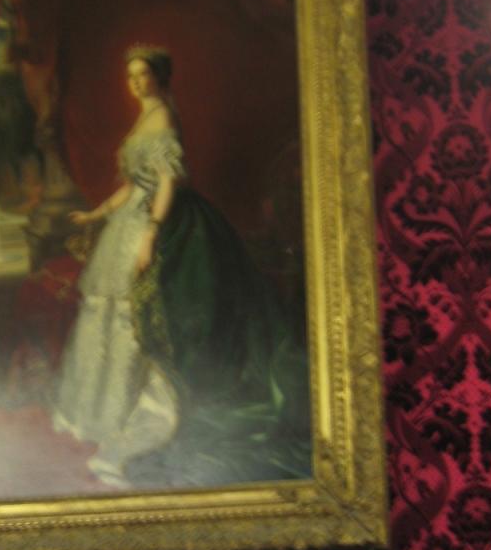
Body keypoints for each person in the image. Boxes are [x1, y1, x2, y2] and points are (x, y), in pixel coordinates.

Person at [52, 44, 307, 489]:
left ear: (159, 77)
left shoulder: (165, 118)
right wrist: (95, 215)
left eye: (143, 75)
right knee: (109, 315)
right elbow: (133, 185)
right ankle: (103, 412)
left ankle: (143, 414)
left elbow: (168, 183)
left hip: (162, 221)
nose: (135, 83)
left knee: (140, 317)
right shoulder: (143, 119)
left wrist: (151, 233)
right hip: (128, 223)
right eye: (130, 76)